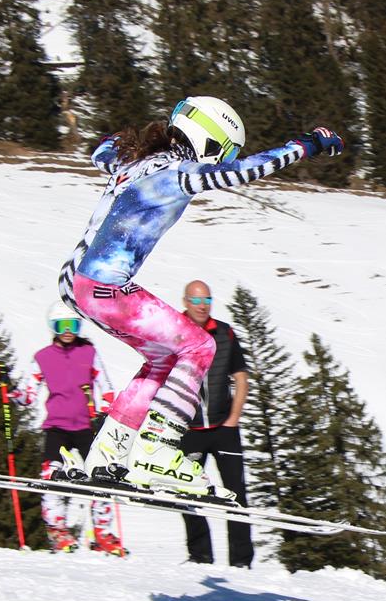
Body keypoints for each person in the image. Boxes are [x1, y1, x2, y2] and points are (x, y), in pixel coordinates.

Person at [56, 96, 344, 496]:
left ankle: (108, 454)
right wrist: (307, 144)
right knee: (199, 346)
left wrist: (119, 138)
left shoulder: (133, 162)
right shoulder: (178, 173)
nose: (224, 159)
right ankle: (156, 451)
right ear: (211, 142)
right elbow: (246, 170)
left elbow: (100, 151)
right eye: (226, 151)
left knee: (164, 359)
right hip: (105, 286)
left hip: (75, 283)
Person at [9, 304, 125, 555]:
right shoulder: (42, 357)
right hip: (57, 427)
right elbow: (27, 396)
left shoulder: (89, 352)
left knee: (100, 477)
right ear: (53, 327)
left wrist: (105, 413)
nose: (68, 331)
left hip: (86, 426)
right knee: (51, 474)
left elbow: (106, 387)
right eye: (62, 326)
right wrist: (9, 390)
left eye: (73, 325)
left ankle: (102, 533)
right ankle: (57, 530)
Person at [178, 279, 253, 568]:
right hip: (189, 431)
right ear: (185, 302)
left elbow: (241, 377)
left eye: (207, 300)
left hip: (224, 429)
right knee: (186, 492)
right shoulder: (172, 333)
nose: (202, 306)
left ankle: (241, 561)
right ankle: (200, 556)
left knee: (236, 494)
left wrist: (233, 419)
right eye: (196, 300)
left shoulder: (224, 333)